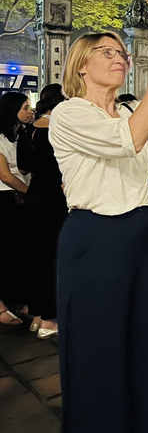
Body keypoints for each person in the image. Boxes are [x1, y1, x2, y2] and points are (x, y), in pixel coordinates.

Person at [49, 22, 148, 432]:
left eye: (123, 53)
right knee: (97, 346)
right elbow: (128, 140)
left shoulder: (133, 109)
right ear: (81, 65)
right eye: (107, 53)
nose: (119, 58)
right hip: (96, 239)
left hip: (142, 238)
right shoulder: (70, 113)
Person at [16, 84, 66, 338]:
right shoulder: (59, 129)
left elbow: (23, 167)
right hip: (56, 197)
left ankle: (35, 314)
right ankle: (48, 319)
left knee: (35, 256)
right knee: (52, 258)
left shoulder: (28, 131)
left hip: (34, 195)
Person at [0, 92, 33, 325]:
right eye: (25, 107)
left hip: (18, 199)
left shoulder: (20, 135)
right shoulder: (1, 138)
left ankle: (19, 300)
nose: (30, 111)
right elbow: (5, 175)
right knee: (7, 252)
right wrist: (29, 193)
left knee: (19, 252)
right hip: (5, 199)